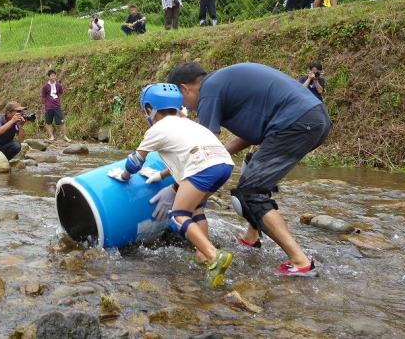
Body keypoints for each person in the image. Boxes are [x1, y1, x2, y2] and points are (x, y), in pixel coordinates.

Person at [168, 62, 332, 277]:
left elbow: (204, 147)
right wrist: (222, 156)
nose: (188, 109)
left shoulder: (209, 91)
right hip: (311, 119)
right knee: (252, 167)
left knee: (249, 193)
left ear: (185, 88)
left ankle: (300, 261)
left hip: (297, 122)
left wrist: (180, 185)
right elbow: (245, 137)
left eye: (183, 103)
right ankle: (253, 236)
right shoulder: (222, 84)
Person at [108, 83, 235, 289]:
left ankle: (214, 256)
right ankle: (202, 255)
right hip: (223, 164)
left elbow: (135, 162)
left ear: (150, 108)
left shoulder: (158, 129)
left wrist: (124, 175)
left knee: (178, 215)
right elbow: (184, 154)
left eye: (146, 111)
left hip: (201, 166)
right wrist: (161, 174)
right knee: (196, 208)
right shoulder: (188, 123)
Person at [42, 69, 71, 142]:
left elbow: (60, 94)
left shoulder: (58, 85)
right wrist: (46, 105)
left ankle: (65, 136)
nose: (53, 77)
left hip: (57, 106)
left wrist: (57, 101)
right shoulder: (45, 86)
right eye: (52, 76)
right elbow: (43, 97)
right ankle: (51, 136)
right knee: (48, 122)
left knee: (61, 122)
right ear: (49, 77)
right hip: (49, 107)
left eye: (54, 75)